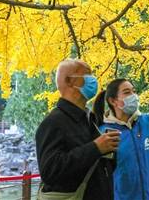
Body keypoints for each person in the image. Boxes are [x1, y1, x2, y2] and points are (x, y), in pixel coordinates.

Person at [35, 59, 119, 200]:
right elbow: (49, 171)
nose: (93, 80)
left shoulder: (89, 119)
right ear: (69, 81)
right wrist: (96, 148)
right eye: (87, 75)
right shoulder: (53, 122)